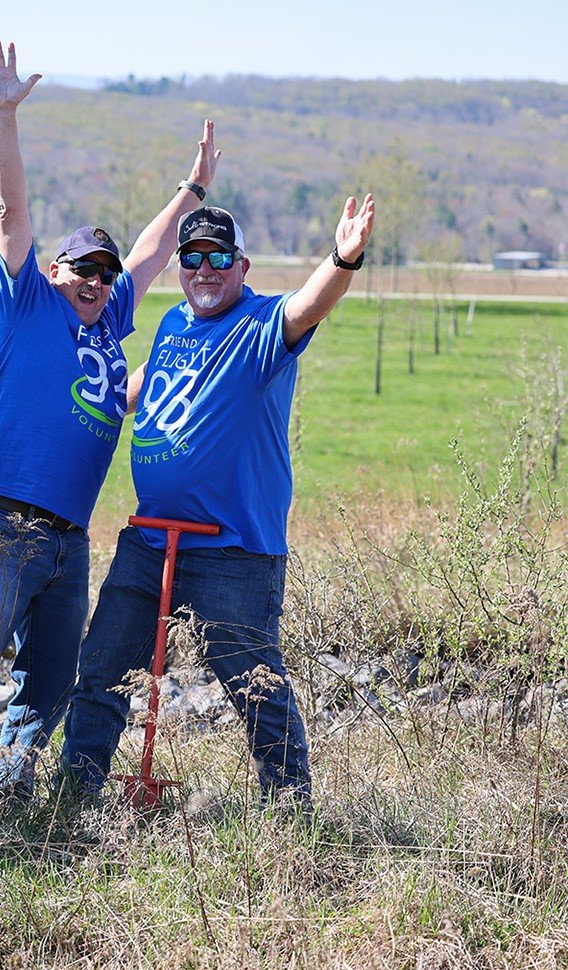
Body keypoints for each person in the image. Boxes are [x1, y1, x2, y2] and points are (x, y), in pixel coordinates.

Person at [0, 41, 221, 823]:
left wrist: (192, 188)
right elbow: (11, 213)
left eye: (103, 273)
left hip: (66, 539)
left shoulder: (109, 321)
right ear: (53, 271)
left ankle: (7, 809)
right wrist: (3, 115)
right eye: (82, 267)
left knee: (46, 687)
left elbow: (146, 254)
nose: (97, 281)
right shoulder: (26, 305)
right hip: (0, 522)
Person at [58, 194, 377, 807]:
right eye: (193, 256)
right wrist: (74, 395)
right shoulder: (176, 321)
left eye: (218, 257)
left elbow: (313, 303)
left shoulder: (261, 326)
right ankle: (75, 800)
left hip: (230, 549)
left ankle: (290, 814)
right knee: (101, 668)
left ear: (243, 264)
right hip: (150, 539)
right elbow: (148, 383)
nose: (204, 269)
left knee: (252, 683)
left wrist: (343, 257)